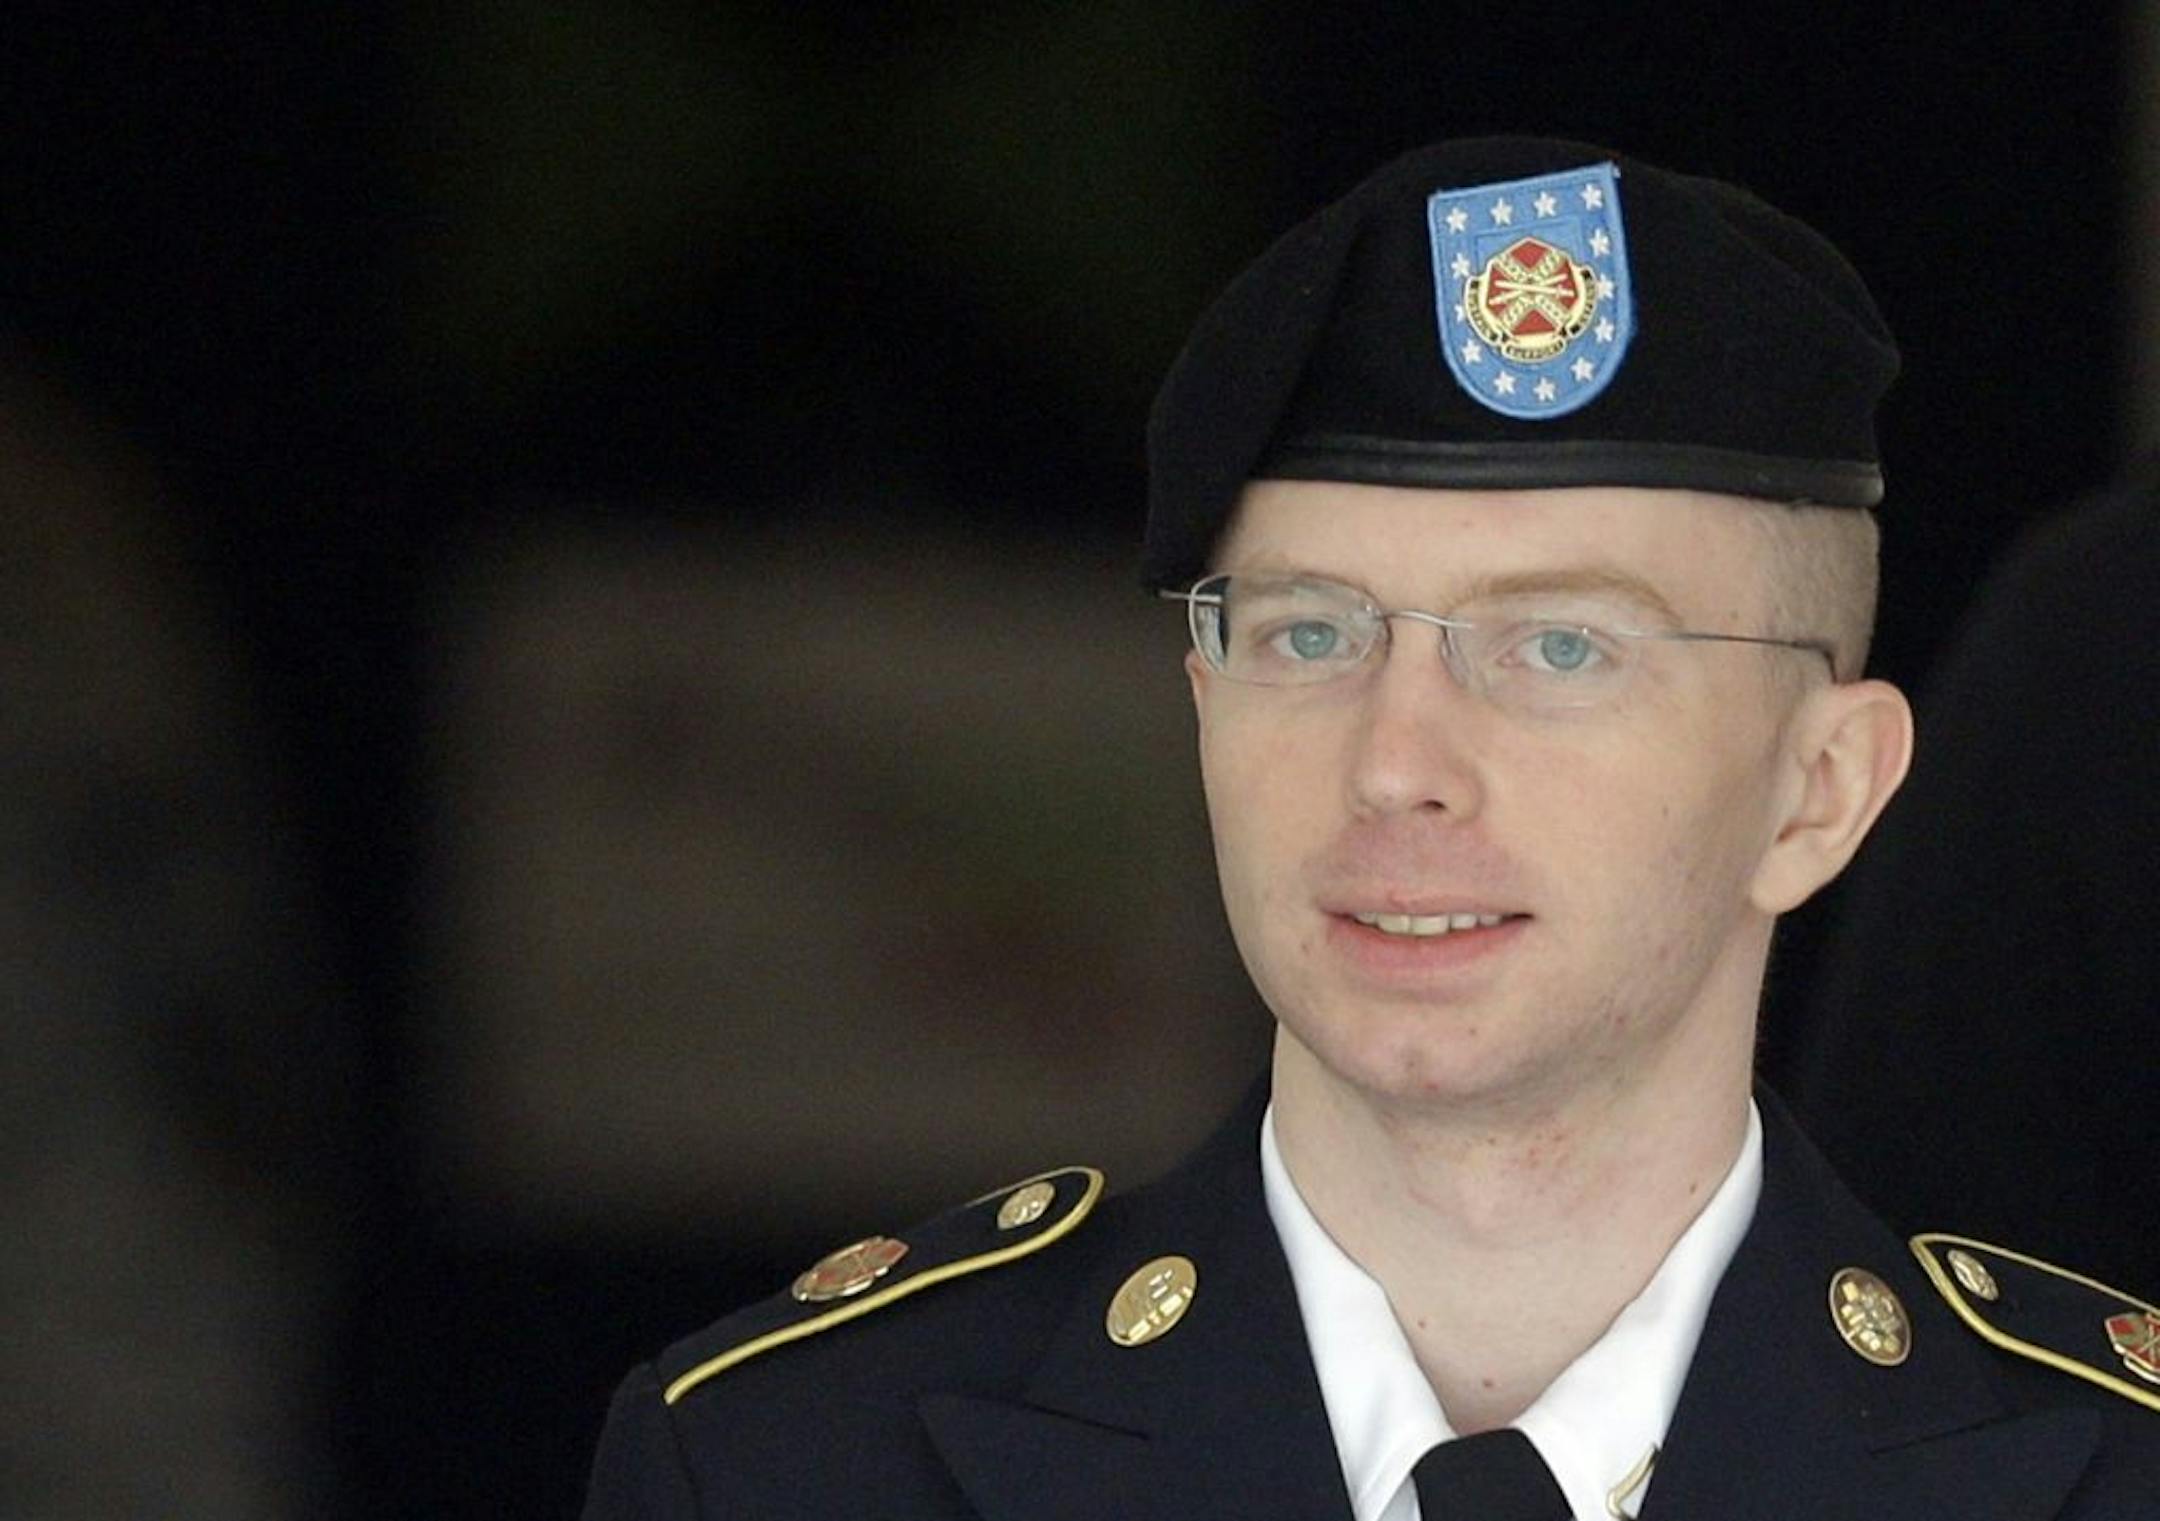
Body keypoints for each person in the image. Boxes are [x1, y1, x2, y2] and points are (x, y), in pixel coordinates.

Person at [581, 138, 2160, 1519]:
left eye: (1559, 648)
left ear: (1819, 792)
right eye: (1308, 635)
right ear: (1201, 703)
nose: (1397, 762)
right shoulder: (783, 1467)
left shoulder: (2104, 1470)